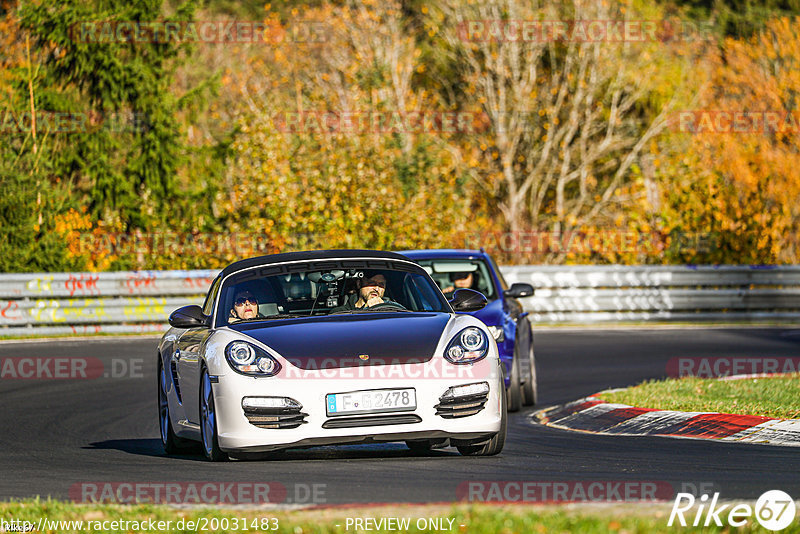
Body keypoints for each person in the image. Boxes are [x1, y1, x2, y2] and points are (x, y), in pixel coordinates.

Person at [331, 273, 404, 311]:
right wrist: (365, 310)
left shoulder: (394, 311)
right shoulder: (339, 313)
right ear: (359, 284)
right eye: (372, 283)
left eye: (381, 285)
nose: (377, 289)